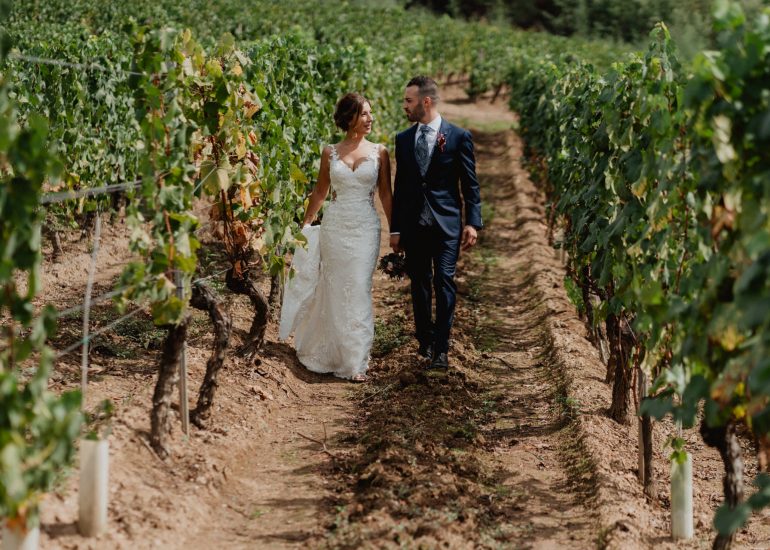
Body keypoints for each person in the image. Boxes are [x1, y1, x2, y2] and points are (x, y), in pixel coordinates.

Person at [279, 93, 392, 382]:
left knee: (358, 287)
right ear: (349, 118)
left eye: (370, 113)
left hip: (366, 228)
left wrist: (395, 231)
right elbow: (320, 192)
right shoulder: (329, 152)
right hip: (335, 227)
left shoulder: (380, 152)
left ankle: (355, 361)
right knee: (333, 288)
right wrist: (304, 225)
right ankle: (330, 351)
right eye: (364, 114)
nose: (370, 119)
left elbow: (386, 195)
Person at [390, 76, 482, 370]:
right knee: (419, 283)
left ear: (425, 102)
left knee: (444, 279)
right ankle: (425, 341)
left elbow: (470, 185)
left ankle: (441, 348)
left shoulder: (457, 137)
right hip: (415, 226)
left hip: (447, 225)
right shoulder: (403, 140)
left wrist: (473, 223)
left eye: (408, 100)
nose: (404, 105)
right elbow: (400, 187)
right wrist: (396, 229)